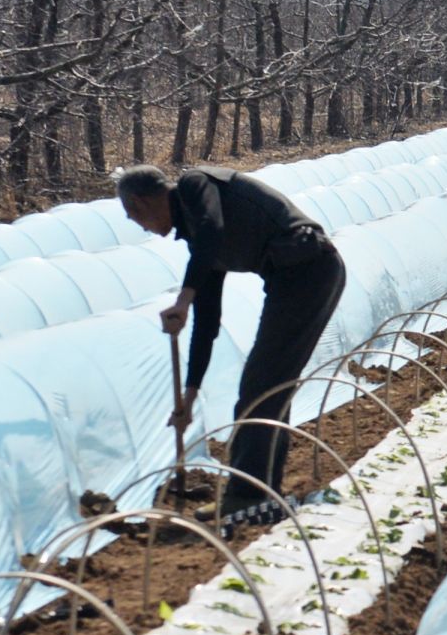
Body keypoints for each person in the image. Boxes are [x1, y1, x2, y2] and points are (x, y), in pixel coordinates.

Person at [115, 164, 348, 528]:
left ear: (141, 201)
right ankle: (261, 493)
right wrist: (189, 397)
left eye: (134, 217)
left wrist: (183, 297)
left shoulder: (196, 186)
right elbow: (207, 324)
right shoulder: (199, 243)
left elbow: (212, 229)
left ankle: (250, 496)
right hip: (296, 277)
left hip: (309, 269)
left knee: (261, 386)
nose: (141, 227)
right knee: (269, 385)